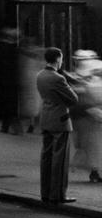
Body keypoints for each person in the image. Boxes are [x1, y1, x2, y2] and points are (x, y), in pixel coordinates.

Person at [37, 47, 79, 204]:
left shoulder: (40, 75)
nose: (62, 61)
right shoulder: (58, 78)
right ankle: (58, 195)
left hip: (46, 118)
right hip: (60, 120)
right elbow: (73, 99)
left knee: (46, 157)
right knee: (60, 161)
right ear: (57, 59)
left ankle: (45, 193)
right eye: (61, 59)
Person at [68, 51, 102, 185]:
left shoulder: (81, 76)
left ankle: (93, 170)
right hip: (86, 118)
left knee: (92, 146)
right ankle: (93, 170)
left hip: (88, 117)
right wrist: (91, 109)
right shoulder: (79, 78)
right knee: (93, 145)